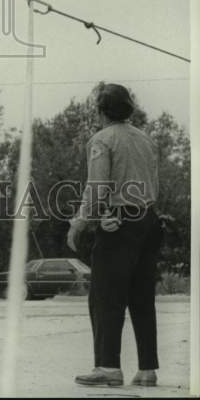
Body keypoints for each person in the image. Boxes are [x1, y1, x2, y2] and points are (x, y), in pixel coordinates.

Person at [67, 83, 161, 388]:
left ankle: (108, 367)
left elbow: (97, 188)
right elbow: (154, 186)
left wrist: (81, 222)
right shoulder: (145, 139)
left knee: (106, 296)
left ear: (101, 110)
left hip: (119, 224)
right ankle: (147, 369)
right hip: (148, 219)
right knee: (142, 297)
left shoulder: (102, 139)